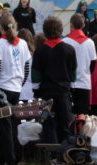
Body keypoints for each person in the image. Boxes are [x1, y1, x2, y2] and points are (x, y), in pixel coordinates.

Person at [0, 14, 30, 165]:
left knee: (4, 129)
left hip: (2, 89)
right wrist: (19, 84)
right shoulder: (24, 44)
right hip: (16, 89)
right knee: (7, 127)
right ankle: (3, 163)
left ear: (1, 28)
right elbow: (26, 68)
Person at [32, 16, 77, 144]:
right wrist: (71, 90)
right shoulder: (69, 49)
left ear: (45, 31)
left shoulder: (40, 51)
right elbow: (73, 74)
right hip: (64, 94)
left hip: (46, 96)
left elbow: (35, 76)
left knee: (49, 127)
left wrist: (36, 94)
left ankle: (51, 159)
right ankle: (65, 156)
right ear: (61, 30)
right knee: (64, 126)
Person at [64, 13, 96, 116]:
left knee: (68, 116)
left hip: (67, 85)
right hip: (84, 84)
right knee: (83, 117)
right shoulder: (90, 43)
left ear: (71, 25)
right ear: (83, 26)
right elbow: (93, 65)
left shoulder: (64, 42)